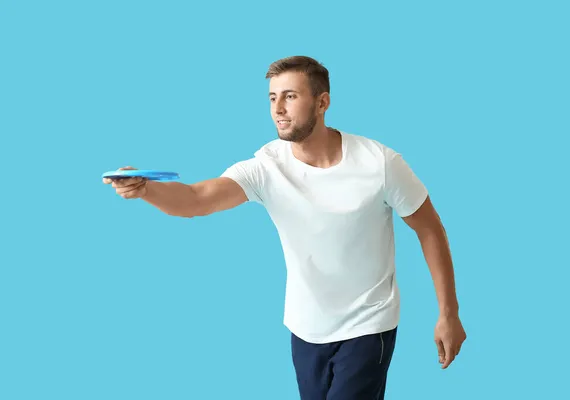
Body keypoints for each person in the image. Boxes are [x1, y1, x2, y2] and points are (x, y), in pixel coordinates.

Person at [103, 56, 466, 400]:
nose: (278, 109)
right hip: (305, 327)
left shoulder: (379, 162)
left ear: (322, 102)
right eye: (273, 98)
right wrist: (146, 189)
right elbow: (197, 199)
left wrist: (448, 313)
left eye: (290, 97)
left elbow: (430, 228)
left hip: (368, 325)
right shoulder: (266, 167)